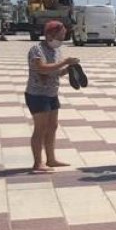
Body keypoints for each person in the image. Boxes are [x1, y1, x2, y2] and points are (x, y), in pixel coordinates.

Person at [25, 21, 79, 173]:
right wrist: (64, 62)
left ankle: (51, 159)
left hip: (52, 93)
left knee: (52, 126)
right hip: (37, 94)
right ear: (49, 35)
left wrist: (68, 69)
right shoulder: (37, 50)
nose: (62, 39)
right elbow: (42, 68)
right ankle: (38, 163)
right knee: (40, 128)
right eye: (60, 36)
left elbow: (56, 72)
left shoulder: (56, 51)